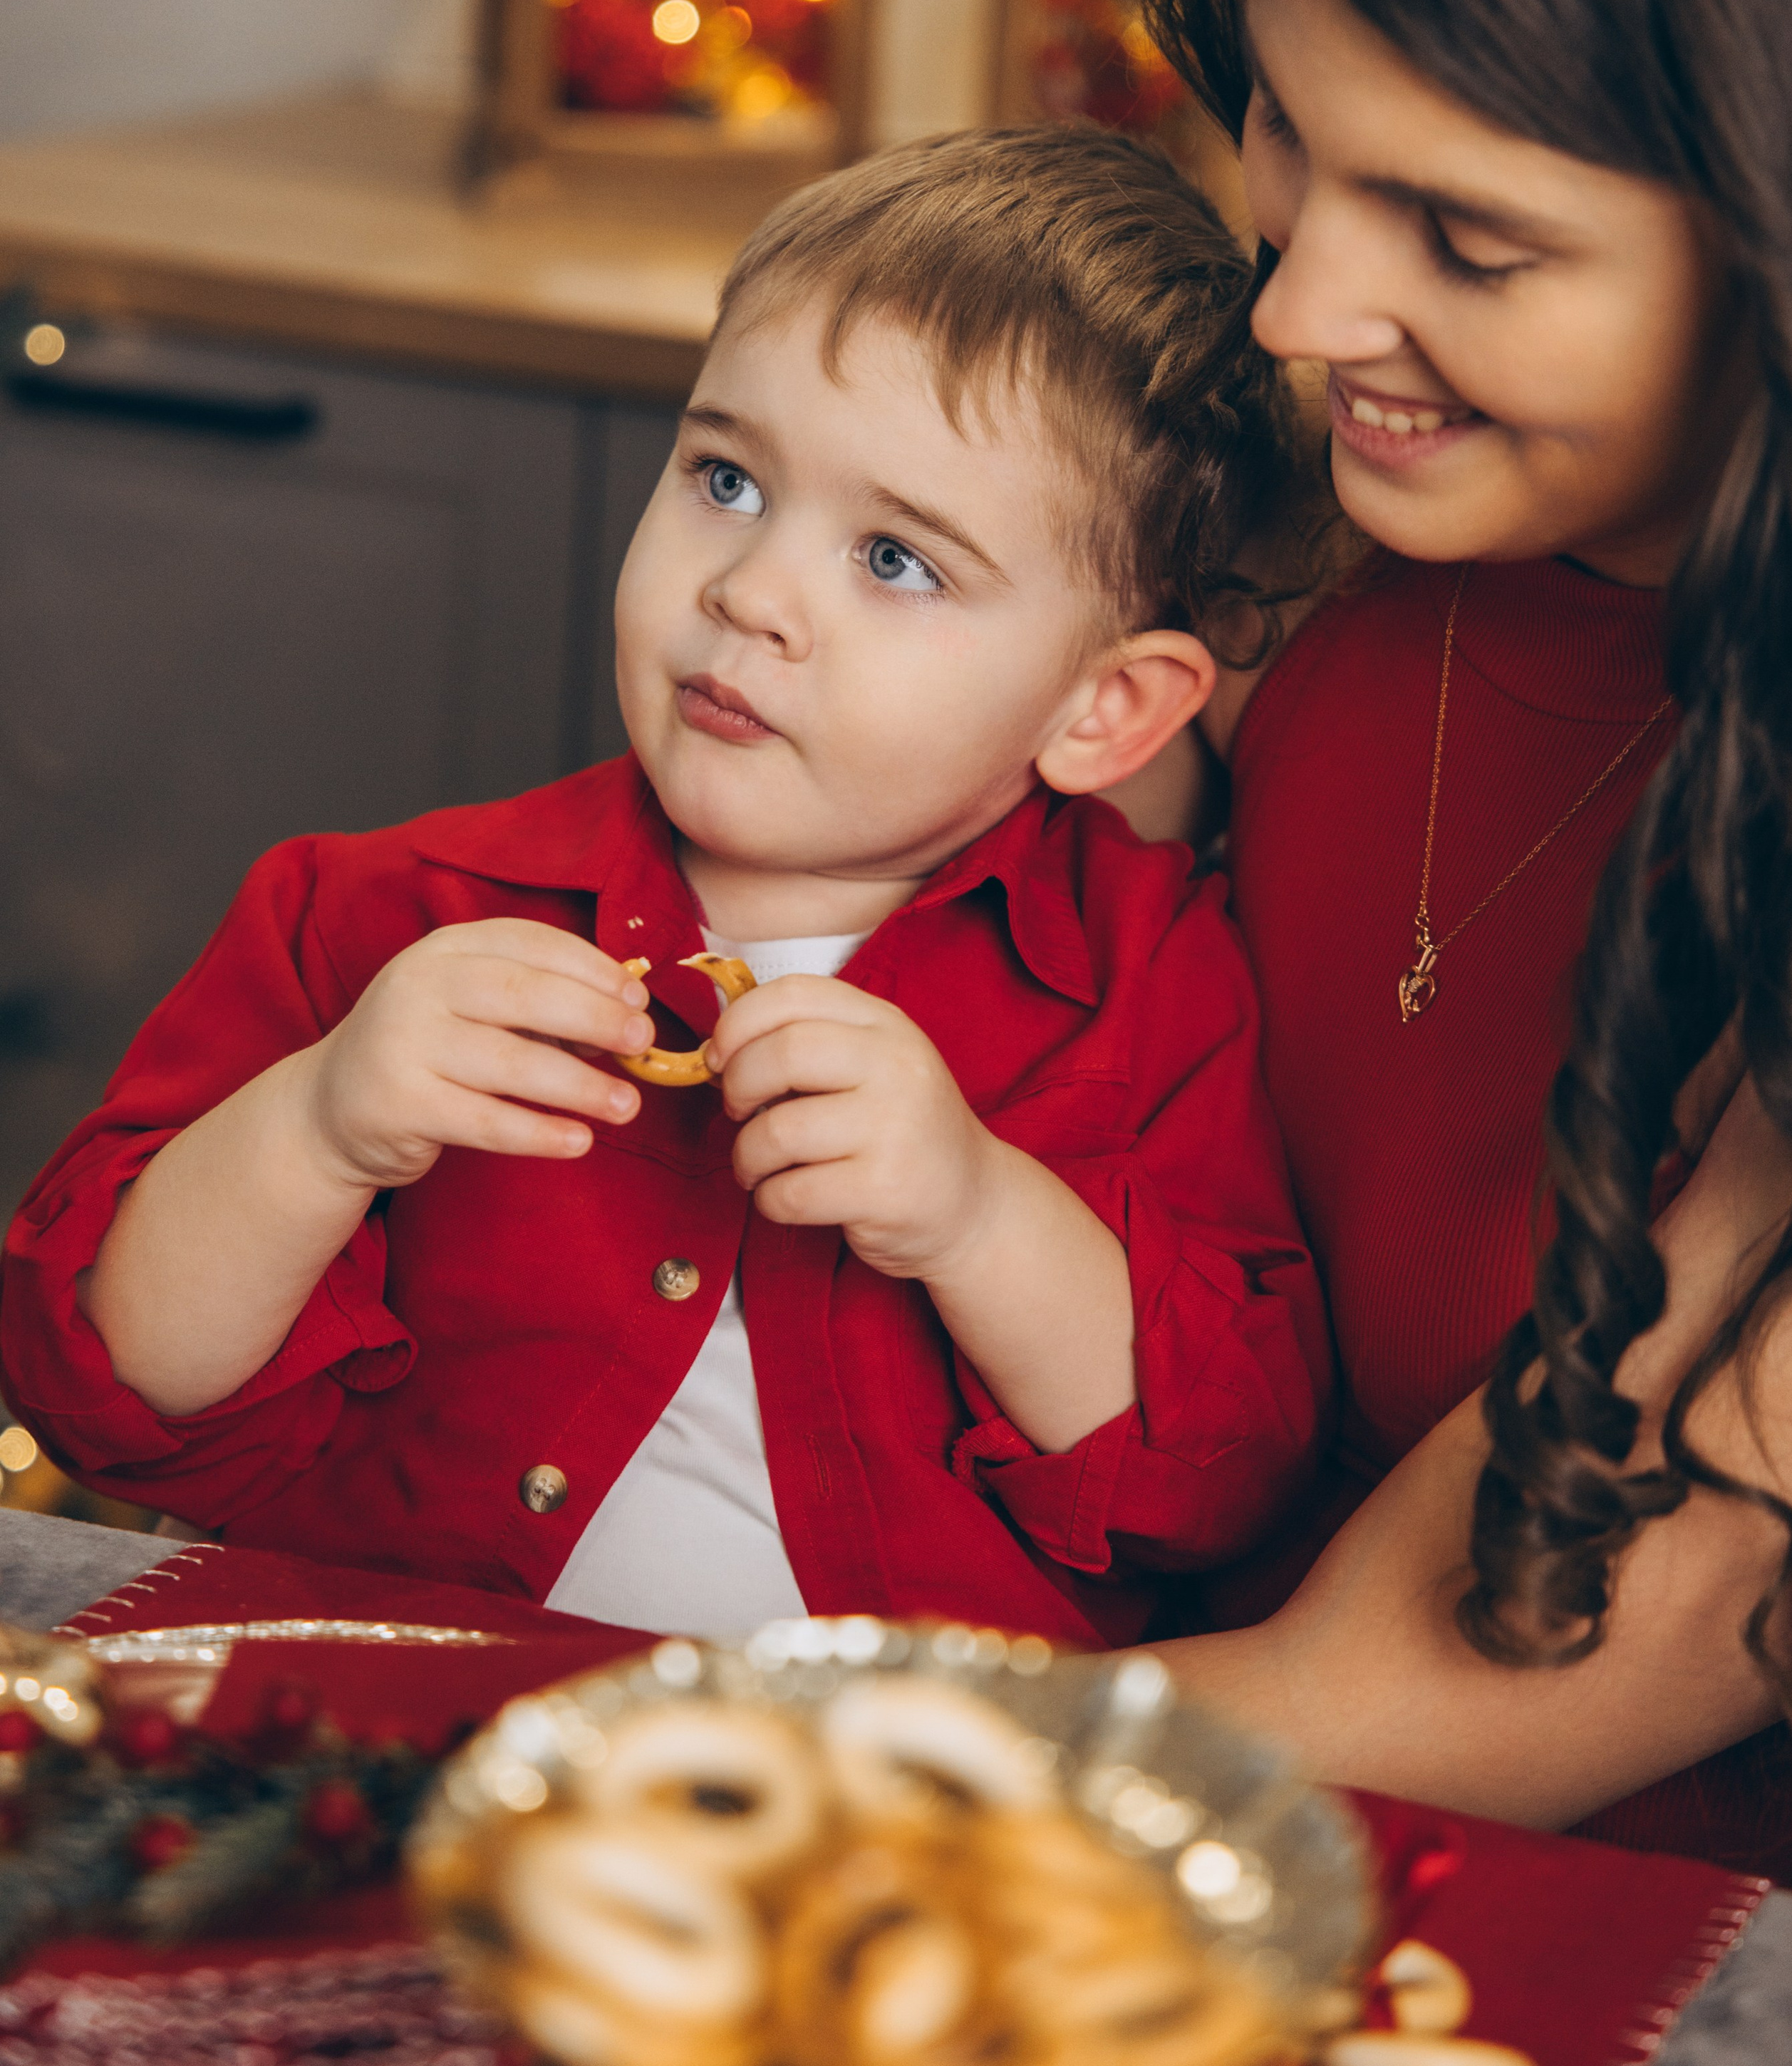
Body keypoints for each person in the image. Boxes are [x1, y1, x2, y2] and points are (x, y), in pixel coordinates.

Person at [0, 126, 1330, 1648]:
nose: (748, 591)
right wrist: (318, 1127)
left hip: (892, 1811)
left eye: (896, 560)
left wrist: (977, 1220)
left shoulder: (1156, 983)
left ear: (1099, 710)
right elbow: (100, 1387)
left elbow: (1217, 1492)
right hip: (379, 1734)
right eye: (724, 478)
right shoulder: (376, 915)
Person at [1121, 0, 1792, 1883]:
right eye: (1293, 144)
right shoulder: (1325, 554)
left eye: (1473, 238)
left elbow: (1414, 1699)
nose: (1304, 311)